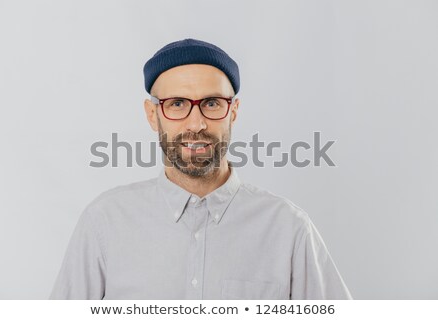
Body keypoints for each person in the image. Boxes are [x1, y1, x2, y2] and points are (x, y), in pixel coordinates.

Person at [49, 38, 352, 300]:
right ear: (153, 115)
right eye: (178, 104)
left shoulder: (289, 229)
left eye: (211, 103)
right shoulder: (104, 223)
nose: (196, 124)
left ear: (233, 112)